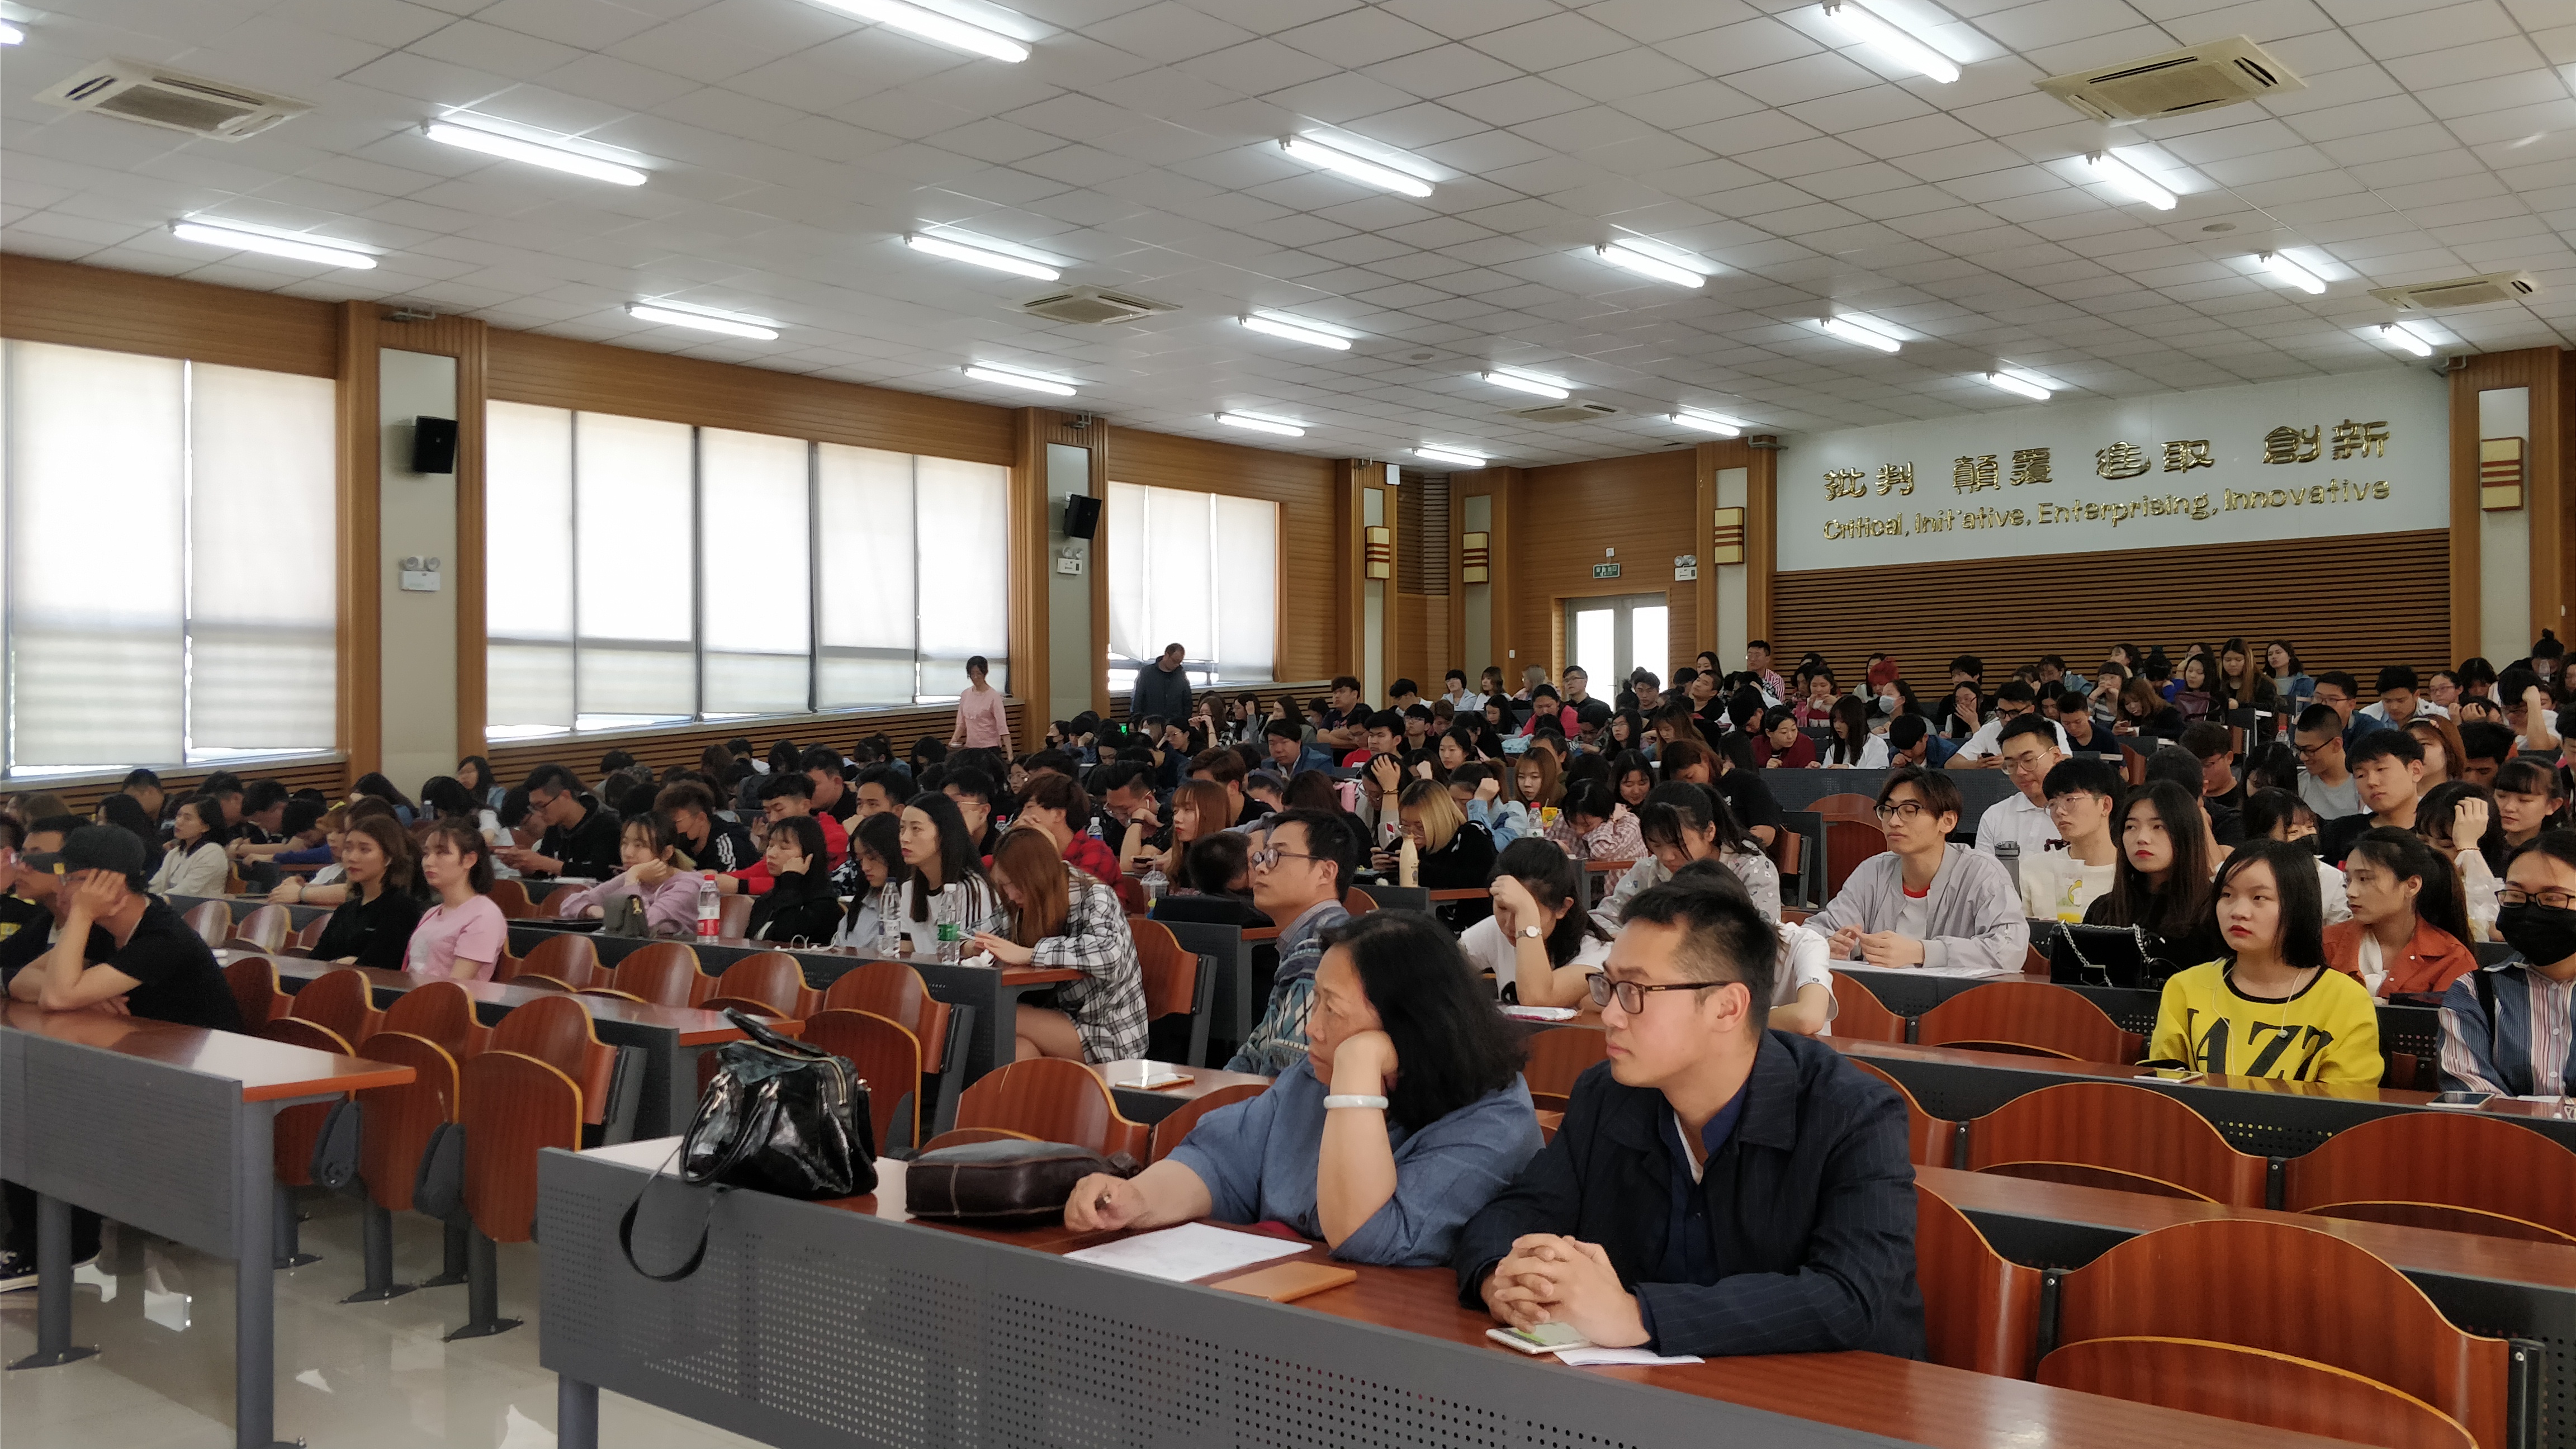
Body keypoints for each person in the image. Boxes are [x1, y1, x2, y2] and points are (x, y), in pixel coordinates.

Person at [1453, 872, 1924, 1358]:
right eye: (1607, 986)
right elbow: (1516, 1212)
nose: (1610, 1015)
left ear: (1726, 1008)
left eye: (1634, 991)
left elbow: (1850, 1296)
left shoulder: (1854, 1115)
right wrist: (1503, 1280)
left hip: (1822, 1395)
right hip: (1643, 1390)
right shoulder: (1607, 1094)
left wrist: (1637, 1316)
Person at [1071, 911, 1538, 1266]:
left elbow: (1366, 1234)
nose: (1312, 1028)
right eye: (1316, 1002)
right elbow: (1219, 1161)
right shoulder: (1314, 1076)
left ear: (1408, 1026)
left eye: (1332, 1009)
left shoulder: (1493, 1118)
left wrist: (1359, 1065)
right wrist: (1139, 1200)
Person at [2, 826, 246, 1288]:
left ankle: (64, 1247)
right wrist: (85, 991)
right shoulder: (103, 932)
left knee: (44, 1111)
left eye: (73, 880)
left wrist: (77, 969)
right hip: (142, 1071)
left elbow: (55, 996)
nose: (63, 890)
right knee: (23, 1097)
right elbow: (21, 982)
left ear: (108, 884)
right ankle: (35, 1241)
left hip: (200, 1093)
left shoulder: (162, 936)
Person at [2149, 840, 2383, 1083]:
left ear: (2298, 906)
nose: (2238, 911)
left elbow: (2346, 1100)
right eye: (2227, 895)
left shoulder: (2346, 1001)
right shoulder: (2185, 988)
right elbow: (2163, 1087)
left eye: (2259, 897)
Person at [1808, 767, 2025, 976]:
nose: (1894, 822)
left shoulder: (1982, 873)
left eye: (1909, 811)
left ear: (1947, 821)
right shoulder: (1872, 871)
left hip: (1957, 999)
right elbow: (1816, 932)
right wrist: (1829, 946)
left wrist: (1922, 952)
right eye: (1887, 810)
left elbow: (2009, 950)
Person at [971, 829, 1149, 1063]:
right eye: (1004, 886)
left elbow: (1108, 954)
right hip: (1058, 1019)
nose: (1011, 895)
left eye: (1015, 885)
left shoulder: (1094, 895)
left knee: (1001, 1014)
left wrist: (1031, 954)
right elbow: (977, 933)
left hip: (1107, 1033)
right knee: (1018, 1050)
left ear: (1037, 877)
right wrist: (973, 946)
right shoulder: (1019, 902)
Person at [2438, 830, 2576, 1096]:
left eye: (2552, 898)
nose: (2531, 910)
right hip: (2498, 1126)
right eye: (2515, 895)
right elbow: (2471, 1095)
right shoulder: (2475, 992)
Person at [1227, 809, 1358, 1076]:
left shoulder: (1319, 951)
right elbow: (1255, 1054)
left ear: (1325, 872)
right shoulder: (1312, 939)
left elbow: (1289, 1076)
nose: (1260, 867)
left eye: (1277, 856)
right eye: (1262, 856)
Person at [1594, 783, 1782, 929]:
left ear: (1709, 832)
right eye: (1656, 845)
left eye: (1679, 844)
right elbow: (1603, 918)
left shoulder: (1751, 870)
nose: (1667, 856)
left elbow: (1764, 936)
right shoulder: (1648, 871)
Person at [2081, 779, 2222, 965]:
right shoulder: (2104, 910)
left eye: (2158, 827)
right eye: (2131, 827)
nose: (2142, 838)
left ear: (2186, 833)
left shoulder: (2214, 910)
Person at [2324, 828, 2477, 998]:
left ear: (2412, 886)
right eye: (2348, 880)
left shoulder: (2450, 958)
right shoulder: (2327, 944)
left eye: (2365, 879)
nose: (2351, 892)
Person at [1467, 837, 1619, 1007]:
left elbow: (1538, 1000)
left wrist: (1527, 919)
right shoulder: (1494, 931)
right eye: (1503, 908)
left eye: (1527, 912)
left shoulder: (1598, 952)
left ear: (1562, 907)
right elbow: (1444, 970)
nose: (1510, 925)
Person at [875, 793, 1004, 954]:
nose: (905, 838)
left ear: (944, 834)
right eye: (902, 828)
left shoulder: (970, 889)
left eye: (916, 829)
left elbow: (971, 955)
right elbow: (904, 948)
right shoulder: (909, 888)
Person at [307, 815, 427, 969]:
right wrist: (340, 964)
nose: (352, 858)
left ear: (388, 857)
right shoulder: (345, 910)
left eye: (365, 850)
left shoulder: (402, 909)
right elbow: (315, 962)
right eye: (348, 849)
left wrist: (345, 965)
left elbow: (378, 966)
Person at [556, 812, 699, 937]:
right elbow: (569, 905)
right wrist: (594, 910)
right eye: (625, 843)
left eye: (639, 845)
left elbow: (642, 925)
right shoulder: (634, 877)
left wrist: (633, 878)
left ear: (667, 853)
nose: (628, 853)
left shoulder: (687, 887)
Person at [2020, 757, 2122, 922]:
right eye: (2052, 804)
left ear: (2105, 805)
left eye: (2070, 800)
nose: (2059, 811)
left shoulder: (2132, 873)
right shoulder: (2033, 870)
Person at [406, 820, 506, 982]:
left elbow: (456, 985)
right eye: (426, 853)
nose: (429, 862)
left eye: (442, 853)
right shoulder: (432, 912)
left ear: (469, 860)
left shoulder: (484, 915)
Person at [498, 763, 623, 880]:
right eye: (534, 807)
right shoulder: (554, 828)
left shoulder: (608, 824)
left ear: (564, 796)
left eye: (541, 806)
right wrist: (524, 864)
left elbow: (604, 873)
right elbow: (544, 876)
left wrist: (546, 863)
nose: (539, 813)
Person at [2317, 731, 2425, 865]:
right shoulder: (2339, 833)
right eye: (2361, 775)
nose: (2371, 782)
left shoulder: (2437, 835)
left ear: (2415, 771)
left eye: (2381, 769)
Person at [1972, 715, 2067, 859]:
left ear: (2056, 755)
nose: (2020, 772)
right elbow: (1984, 871)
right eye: (2011, 765)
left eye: (2028, 760)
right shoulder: (1995, 816)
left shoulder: (2083, 813)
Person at [1381, 780, 1495, 897]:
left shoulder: (1471, 836)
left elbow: (1481, 880)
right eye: (1405, 826)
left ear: (1440, 820)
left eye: (1420, 828)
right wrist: (1381, 870)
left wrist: (1418, 869)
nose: (1412, 835)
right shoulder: (1402, 843)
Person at [740, 815, 839, 944]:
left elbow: (785, 940)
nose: (771, 854)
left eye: (784, 848)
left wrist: (791, 880)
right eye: (771, 845)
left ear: (809, 855)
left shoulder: (823, 904)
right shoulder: (766, 900)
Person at [833, 812, 907, 948]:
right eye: (860, 860)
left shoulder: (911, 902)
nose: (865, 867)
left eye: (872, 858)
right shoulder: (862, 902)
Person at [656, 780, 756, 874]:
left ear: (701, 819)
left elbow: (725, 879)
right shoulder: (678, 847)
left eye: (675, 823)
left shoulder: (729, 842)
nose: (670, 828)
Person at [145, 796, 231, 897]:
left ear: (205, 827)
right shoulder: (175, 853)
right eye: (179, 815)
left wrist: (155, 900)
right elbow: (155, 885)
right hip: (168, 903)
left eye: (187, 818)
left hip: (200, 906)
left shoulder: (213, 852)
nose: (179, 821)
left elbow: (186, 892)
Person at [2293, 704, 2362, 821]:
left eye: (2310, 750)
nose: (2303, 757)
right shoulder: (2298, 785)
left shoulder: (2364, 785)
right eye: (2298, 749)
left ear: (2336, 745)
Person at [1548, 780, 1644, 862]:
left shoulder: (1628, 824)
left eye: (1587, 825)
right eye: (1573, 823)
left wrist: (1609, 820)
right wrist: (1556, 850)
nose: (1579, 831)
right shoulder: (1562, 820)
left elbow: (1601, 853)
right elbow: (1543, 852)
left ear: (1604, 815)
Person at [2495, 759, 2568, 851]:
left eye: (2524, 800)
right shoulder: (2482, 843)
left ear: (2552, 805)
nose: (2509, 807)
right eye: (2501, 796)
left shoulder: (2561, 852)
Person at [949, 654, 1010, 751]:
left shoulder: (994, 696)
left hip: (990, 747)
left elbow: (1002, 727)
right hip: (971, 747)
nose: (975, 677)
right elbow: (961, 723)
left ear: (985, 673)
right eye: (972, 674)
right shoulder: (965, 694)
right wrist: (953, 741)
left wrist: (1010, 755)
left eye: (979, 674)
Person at [2311, 671, 2387, 747]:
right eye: (2318, 697)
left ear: (2351, 705)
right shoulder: (2308, 725)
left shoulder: (2370, 729)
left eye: (2332, 700)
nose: (2323, 704)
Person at [1130, 642, 1194, 731]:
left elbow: (1187, 702)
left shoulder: (1181, 675)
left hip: (1174, 725)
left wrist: (1184, 723)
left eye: (1179, 662)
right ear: (1166, 655)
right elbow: (1138, 698)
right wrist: (1136, 721)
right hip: (1151, 724)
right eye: (1174, 661)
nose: (1176, 665)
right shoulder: (1147, 673)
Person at [2405, 714, 2469, 790]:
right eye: (2409, 745)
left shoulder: (2465, 794)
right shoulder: (2395, 794)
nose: (2415, 751)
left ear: (2449, 751)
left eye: (2424, 744)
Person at [1821, 695, 1886, 768]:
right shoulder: (1833, 749)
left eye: (1842, 721)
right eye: (1835, 721)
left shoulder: (1876, 745)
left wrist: (1848, 769)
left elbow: (1877, 774)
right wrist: (1820, 769)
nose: (1837, 726)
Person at [2111, 675, 2183, 741]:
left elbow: (2179, 733)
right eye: (2127, 704)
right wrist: (2113, 732)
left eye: (2136, 701)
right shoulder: (2125, 715)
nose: (2132, 706)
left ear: (2146, 698)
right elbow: (2107, 731)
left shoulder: (2167, 712)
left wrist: (2140, 732)